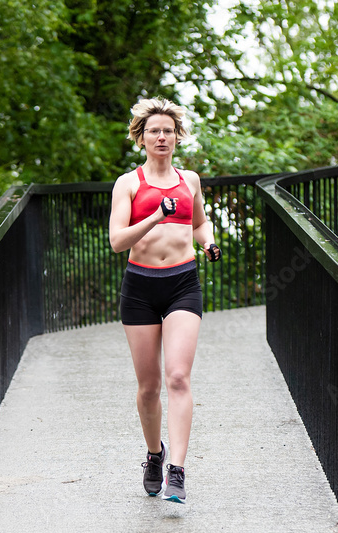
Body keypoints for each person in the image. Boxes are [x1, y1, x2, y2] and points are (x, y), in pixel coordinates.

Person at [108, 97, 221, 503]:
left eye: (168, 131)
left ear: (177, 138)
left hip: (182, 283)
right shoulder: (129, 183)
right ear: (141, 137)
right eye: (154, 131)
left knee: (177, 377)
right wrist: (156, 214)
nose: (161, 137)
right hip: (139, 287)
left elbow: (199, 222)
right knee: (149, 386)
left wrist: (208, 243)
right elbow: (117, 241)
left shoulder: (189, 180)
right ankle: (154, 454)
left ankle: (178, 471)